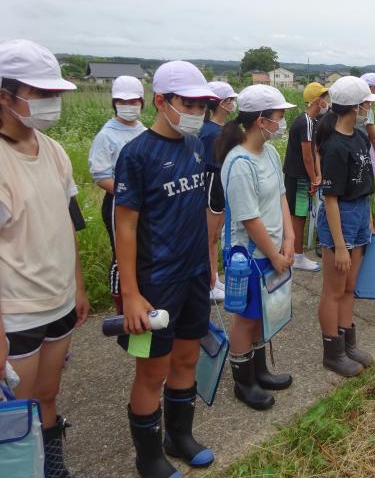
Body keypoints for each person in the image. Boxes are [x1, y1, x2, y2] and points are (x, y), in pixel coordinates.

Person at [114, 60, 219, 477]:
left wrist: (208, 262)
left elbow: (201, 210)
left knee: (187, 358)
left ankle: (180, 435)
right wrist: (131, 293)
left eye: (202, 105)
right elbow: (124, 225)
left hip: (193, 274)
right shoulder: (137, 154)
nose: (197, 111)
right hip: (155, 283)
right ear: (161, 101)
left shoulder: (196, 146)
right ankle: (149, 456)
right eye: (188, 103)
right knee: (152, 370)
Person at [0, 39, 89, 478]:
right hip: (16, 311)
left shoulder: (52, 150)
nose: (52, 102)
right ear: (5, 96)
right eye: (41, 93)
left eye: (55, 93)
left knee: (48, 395)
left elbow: (66, 221)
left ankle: (52, 467)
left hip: (59, 300)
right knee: (16, 410)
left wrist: (78, 286)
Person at [217, 85, 295, 410]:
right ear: (261, 121)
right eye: (279, 116)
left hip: (274, 250)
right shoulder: (239, 163)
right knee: (246, 318)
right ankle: (243, 381)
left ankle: (260, 371)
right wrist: (275, 255)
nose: (282, 122)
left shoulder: (271, 153)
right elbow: (249, 219)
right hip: (249, 256)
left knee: (263, 313)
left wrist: (289, 239)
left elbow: (281, 197)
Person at [314, 76, 375, 375]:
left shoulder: (360, 137)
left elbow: (364, 184)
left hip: (359, 213)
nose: (368, 109)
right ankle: (333, 352)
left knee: (349, 286)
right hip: (339, 217)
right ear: (355, 107)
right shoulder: (334, 146)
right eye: (366, 104)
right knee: (334, 289)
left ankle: (347, 342)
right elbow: (330, 200)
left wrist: (368, 221)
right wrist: (340, 246)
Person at [89, 74, 147, 313]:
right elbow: (101, 175)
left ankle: (141, 295)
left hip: (146, 202)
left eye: (134, 101)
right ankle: (122, 307)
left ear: (142, 102)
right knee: (121, 254)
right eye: (123, 101)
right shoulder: (106, 135)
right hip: (118, 202)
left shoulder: (144, 131)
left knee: (142, 249)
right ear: (114, 103)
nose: (129, 106)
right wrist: (129, 193)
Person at [199, 81, 238, 302]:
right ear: (222, 103)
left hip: (222, 184)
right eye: (231, 100)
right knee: (209, 237)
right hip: (213, 184)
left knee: (215, 237)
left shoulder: (222, 129)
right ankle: (209, 282)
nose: (234, 104)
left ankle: (214, 278)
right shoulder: (208, 132)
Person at [284, 82, 328, 272]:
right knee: (298, 216)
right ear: (317, 101)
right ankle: (297, 256)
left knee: (301, 215)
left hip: (304, 176)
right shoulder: (306, 122)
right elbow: (307, 155)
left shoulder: (313, 122)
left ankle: (297, 254)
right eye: (324, 98)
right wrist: (313, 178)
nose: (326, 102)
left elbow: (315, 151)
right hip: (297, 176)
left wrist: (318, 176)